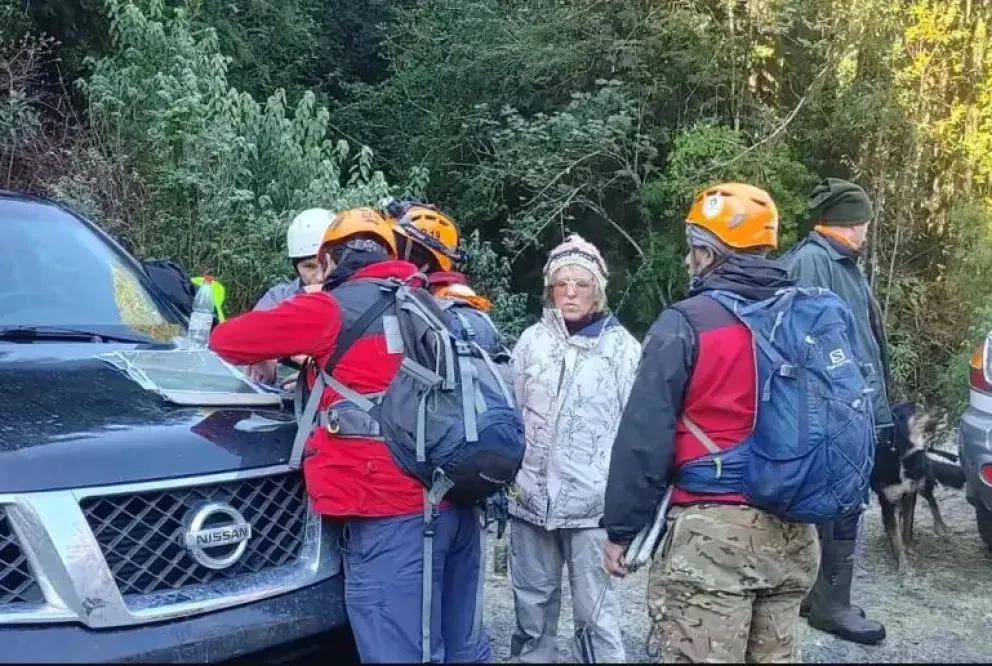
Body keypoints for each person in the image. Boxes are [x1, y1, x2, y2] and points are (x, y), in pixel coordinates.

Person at [208, 207, 493, 664]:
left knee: (399, 652)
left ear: (328, 262)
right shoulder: (430, 304)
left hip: (394, 518)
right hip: (457, 502)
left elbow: (228, 340)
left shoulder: (330, 308)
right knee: (464, 650)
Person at [602, 183, 820, 663]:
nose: (687, 261)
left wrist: (621, 530)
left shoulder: (687, 322)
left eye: (693, 249)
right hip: (794, 533)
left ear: (708, 252)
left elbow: (645, 435)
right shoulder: (807, 315)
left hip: (714, 538)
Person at [507, 234, 640, 664]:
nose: (569, 292)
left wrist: (629, 508)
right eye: (560, 283)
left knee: (596, 615)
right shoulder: (531, 341)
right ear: (549, 288)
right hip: (530, 502)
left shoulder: (623, 349)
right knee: (532, 609)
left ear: (597, 290)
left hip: (592, 508)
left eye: (580, 284)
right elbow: (511, 412)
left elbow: (636, 433)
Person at [781, 178, 890, 646]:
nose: (868, 228)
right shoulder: (812, 262)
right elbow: (803, 341)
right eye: (864, 219)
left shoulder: (842, 262)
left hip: (850, 405)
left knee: (840, 503)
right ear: (852, 221)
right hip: (830, 411)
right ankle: (830, 604)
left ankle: (819, 593)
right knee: (842, 503)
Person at [247, 208, 334, 385]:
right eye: (309, 266)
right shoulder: (279, 297)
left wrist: (313, 376)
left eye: (325, 265)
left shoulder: (356, 298)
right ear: (296, 267)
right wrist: (262, 362)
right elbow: (250, 337)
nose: (319, 276)